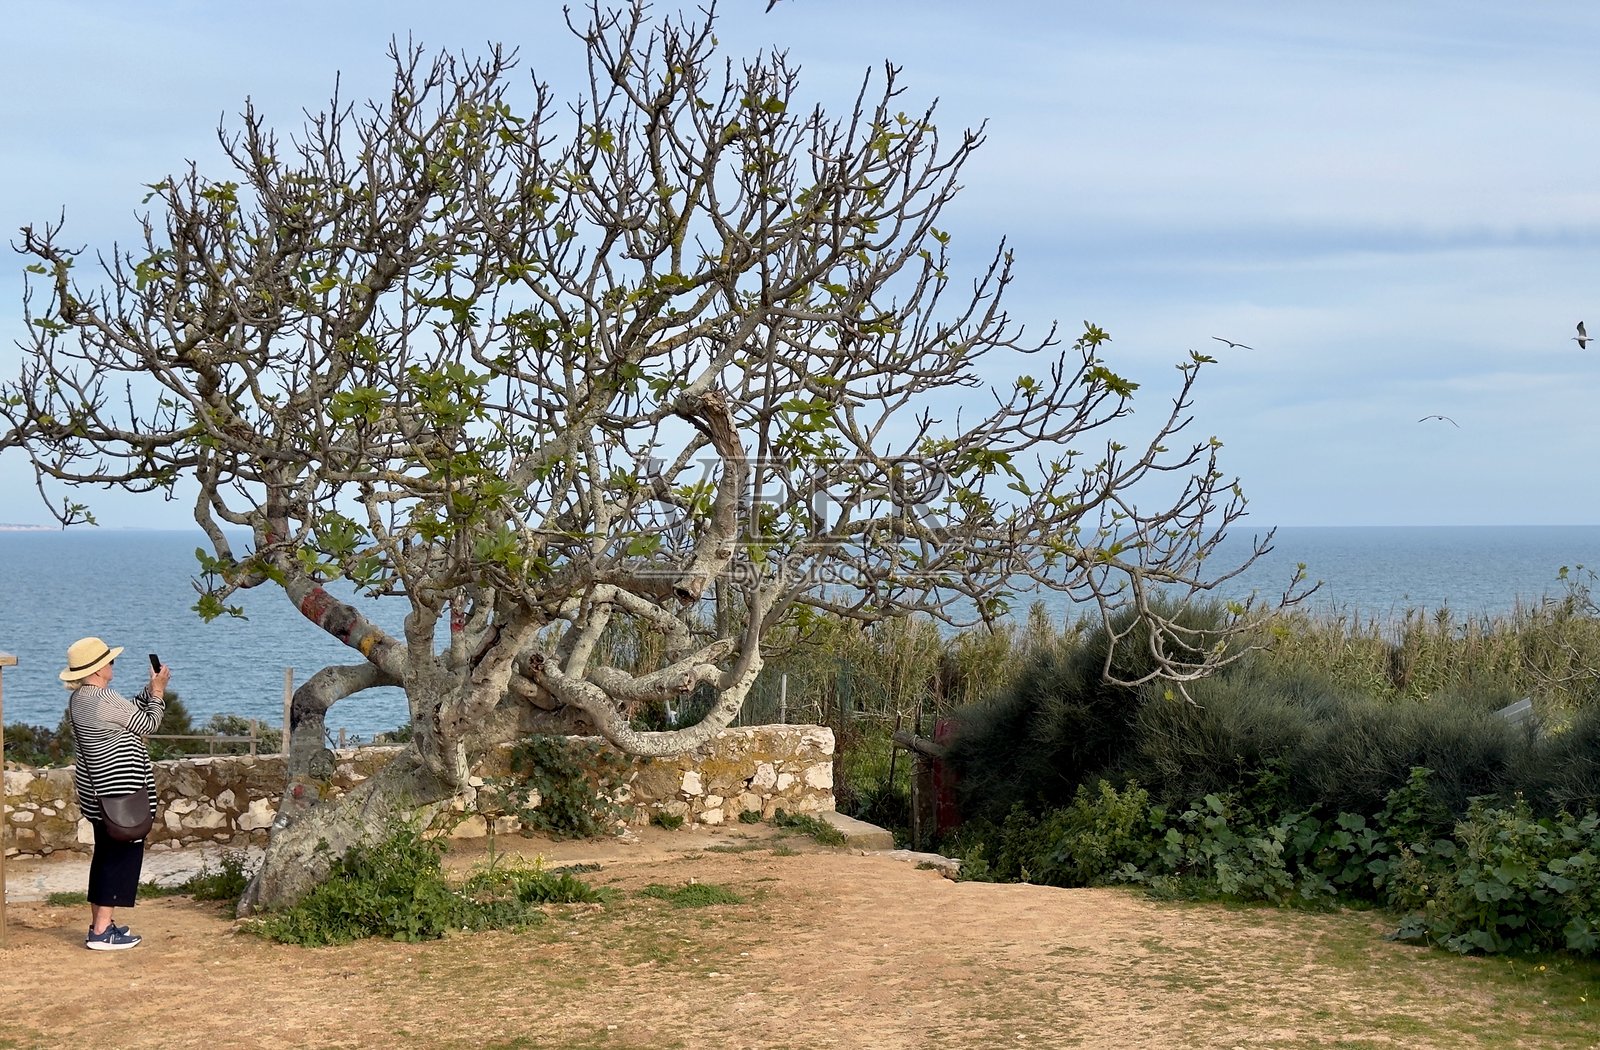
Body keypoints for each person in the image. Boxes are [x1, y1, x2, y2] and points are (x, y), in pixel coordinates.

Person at [61, 637, 171, 951]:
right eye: (109, 661)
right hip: (121, 794)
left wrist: (149, 691)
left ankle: (102, 922)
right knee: (120, 857)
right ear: (98, 669)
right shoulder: (104, 698)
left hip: (97, 794)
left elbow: (126, 711)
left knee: (105, 854)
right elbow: (147, 724)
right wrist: (160, 692)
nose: (113, 665)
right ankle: (100, 932)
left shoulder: (82, 698)